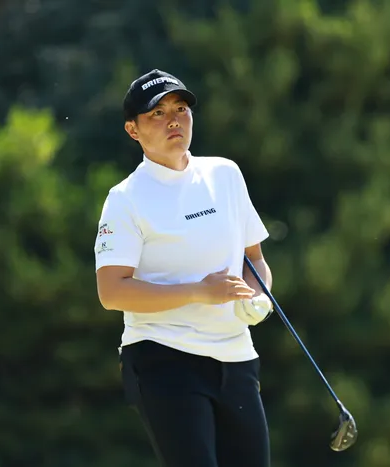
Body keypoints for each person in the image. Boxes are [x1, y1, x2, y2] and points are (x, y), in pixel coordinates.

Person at [93, 69, 274, 467]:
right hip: (164, 359)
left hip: (236, 358)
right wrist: (198, 292)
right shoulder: (125, 199)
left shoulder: (225, 174)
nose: (173, 120)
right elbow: (112, 291)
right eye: (157, 113)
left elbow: (254, 259)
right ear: (132, 130)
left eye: (180, 109)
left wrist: (258, 297)